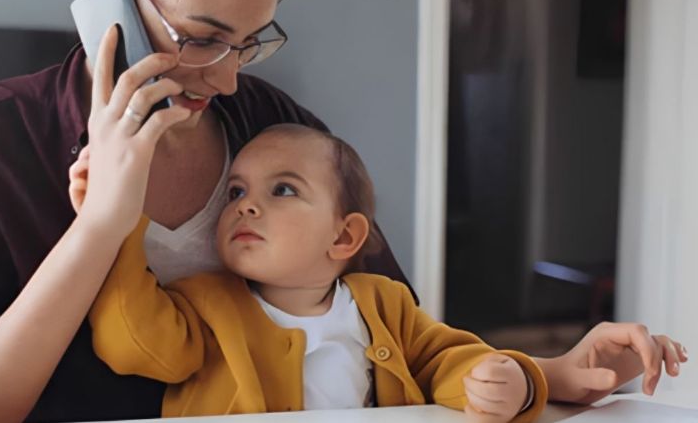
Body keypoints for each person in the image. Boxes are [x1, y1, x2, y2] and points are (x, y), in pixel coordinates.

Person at [0, 0, 687, 422]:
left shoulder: (275, 130)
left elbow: (392, 339)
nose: (226, 81)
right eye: (199, 40)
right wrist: (100, 228)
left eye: (248, 42)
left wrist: (539, 375)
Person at [72, 123, 549, 422]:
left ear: (342, 238)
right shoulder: (206, 302)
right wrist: (119, 225)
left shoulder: (384, 304)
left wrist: (505, 381)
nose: (247, 207)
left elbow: (446, 360)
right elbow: (132, 343)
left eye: (282, 190)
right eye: (236, 192)